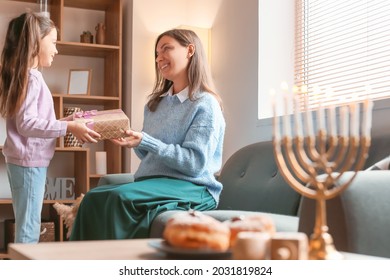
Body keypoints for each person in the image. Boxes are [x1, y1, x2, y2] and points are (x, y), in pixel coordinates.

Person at [70, 28, 226, 240]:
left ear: (190, 50)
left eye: (166, 49)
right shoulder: (156, 104)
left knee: (118, 197)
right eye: (156, 53)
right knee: (92, 198)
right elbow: (150, 156)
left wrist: (147, 141)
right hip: (153, 182)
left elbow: (194, 164)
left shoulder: (205, 104)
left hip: (193, 186)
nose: (159, 57)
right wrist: (136, 143)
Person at [0, 11, 100, 244]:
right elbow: (28, 124)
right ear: (35, 42)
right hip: (29, 162)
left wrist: (68, 122)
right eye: (53, 42)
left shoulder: (23, 76)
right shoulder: (32, 78)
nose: (56, 49)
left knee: (27, 221)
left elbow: (31, 122)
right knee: (29, 227)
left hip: (24, 161)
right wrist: (69, 128)